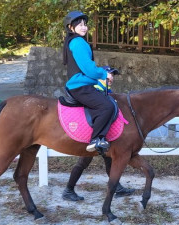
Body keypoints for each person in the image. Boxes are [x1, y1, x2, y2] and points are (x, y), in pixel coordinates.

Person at [62, 68, 135, 201]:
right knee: (83, 162)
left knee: (108, 160)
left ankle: (117, 187)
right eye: (109, 75)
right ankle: (68, 190)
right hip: (92, 134)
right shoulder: (94, 88)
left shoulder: (106, 91)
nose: (112, 78)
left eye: (113, 76)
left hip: (103, 135)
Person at [63, 10, 113, 154]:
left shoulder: (73, 41)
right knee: (107, 106)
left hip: (80, 84)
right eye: (79, 24)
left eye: (85, 24)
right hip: (80, 86)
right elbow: (88, 68)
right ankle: (96, 139)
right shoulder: (78, 42)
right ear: (71, 27)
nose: (84, 27)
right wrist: (104, 74)